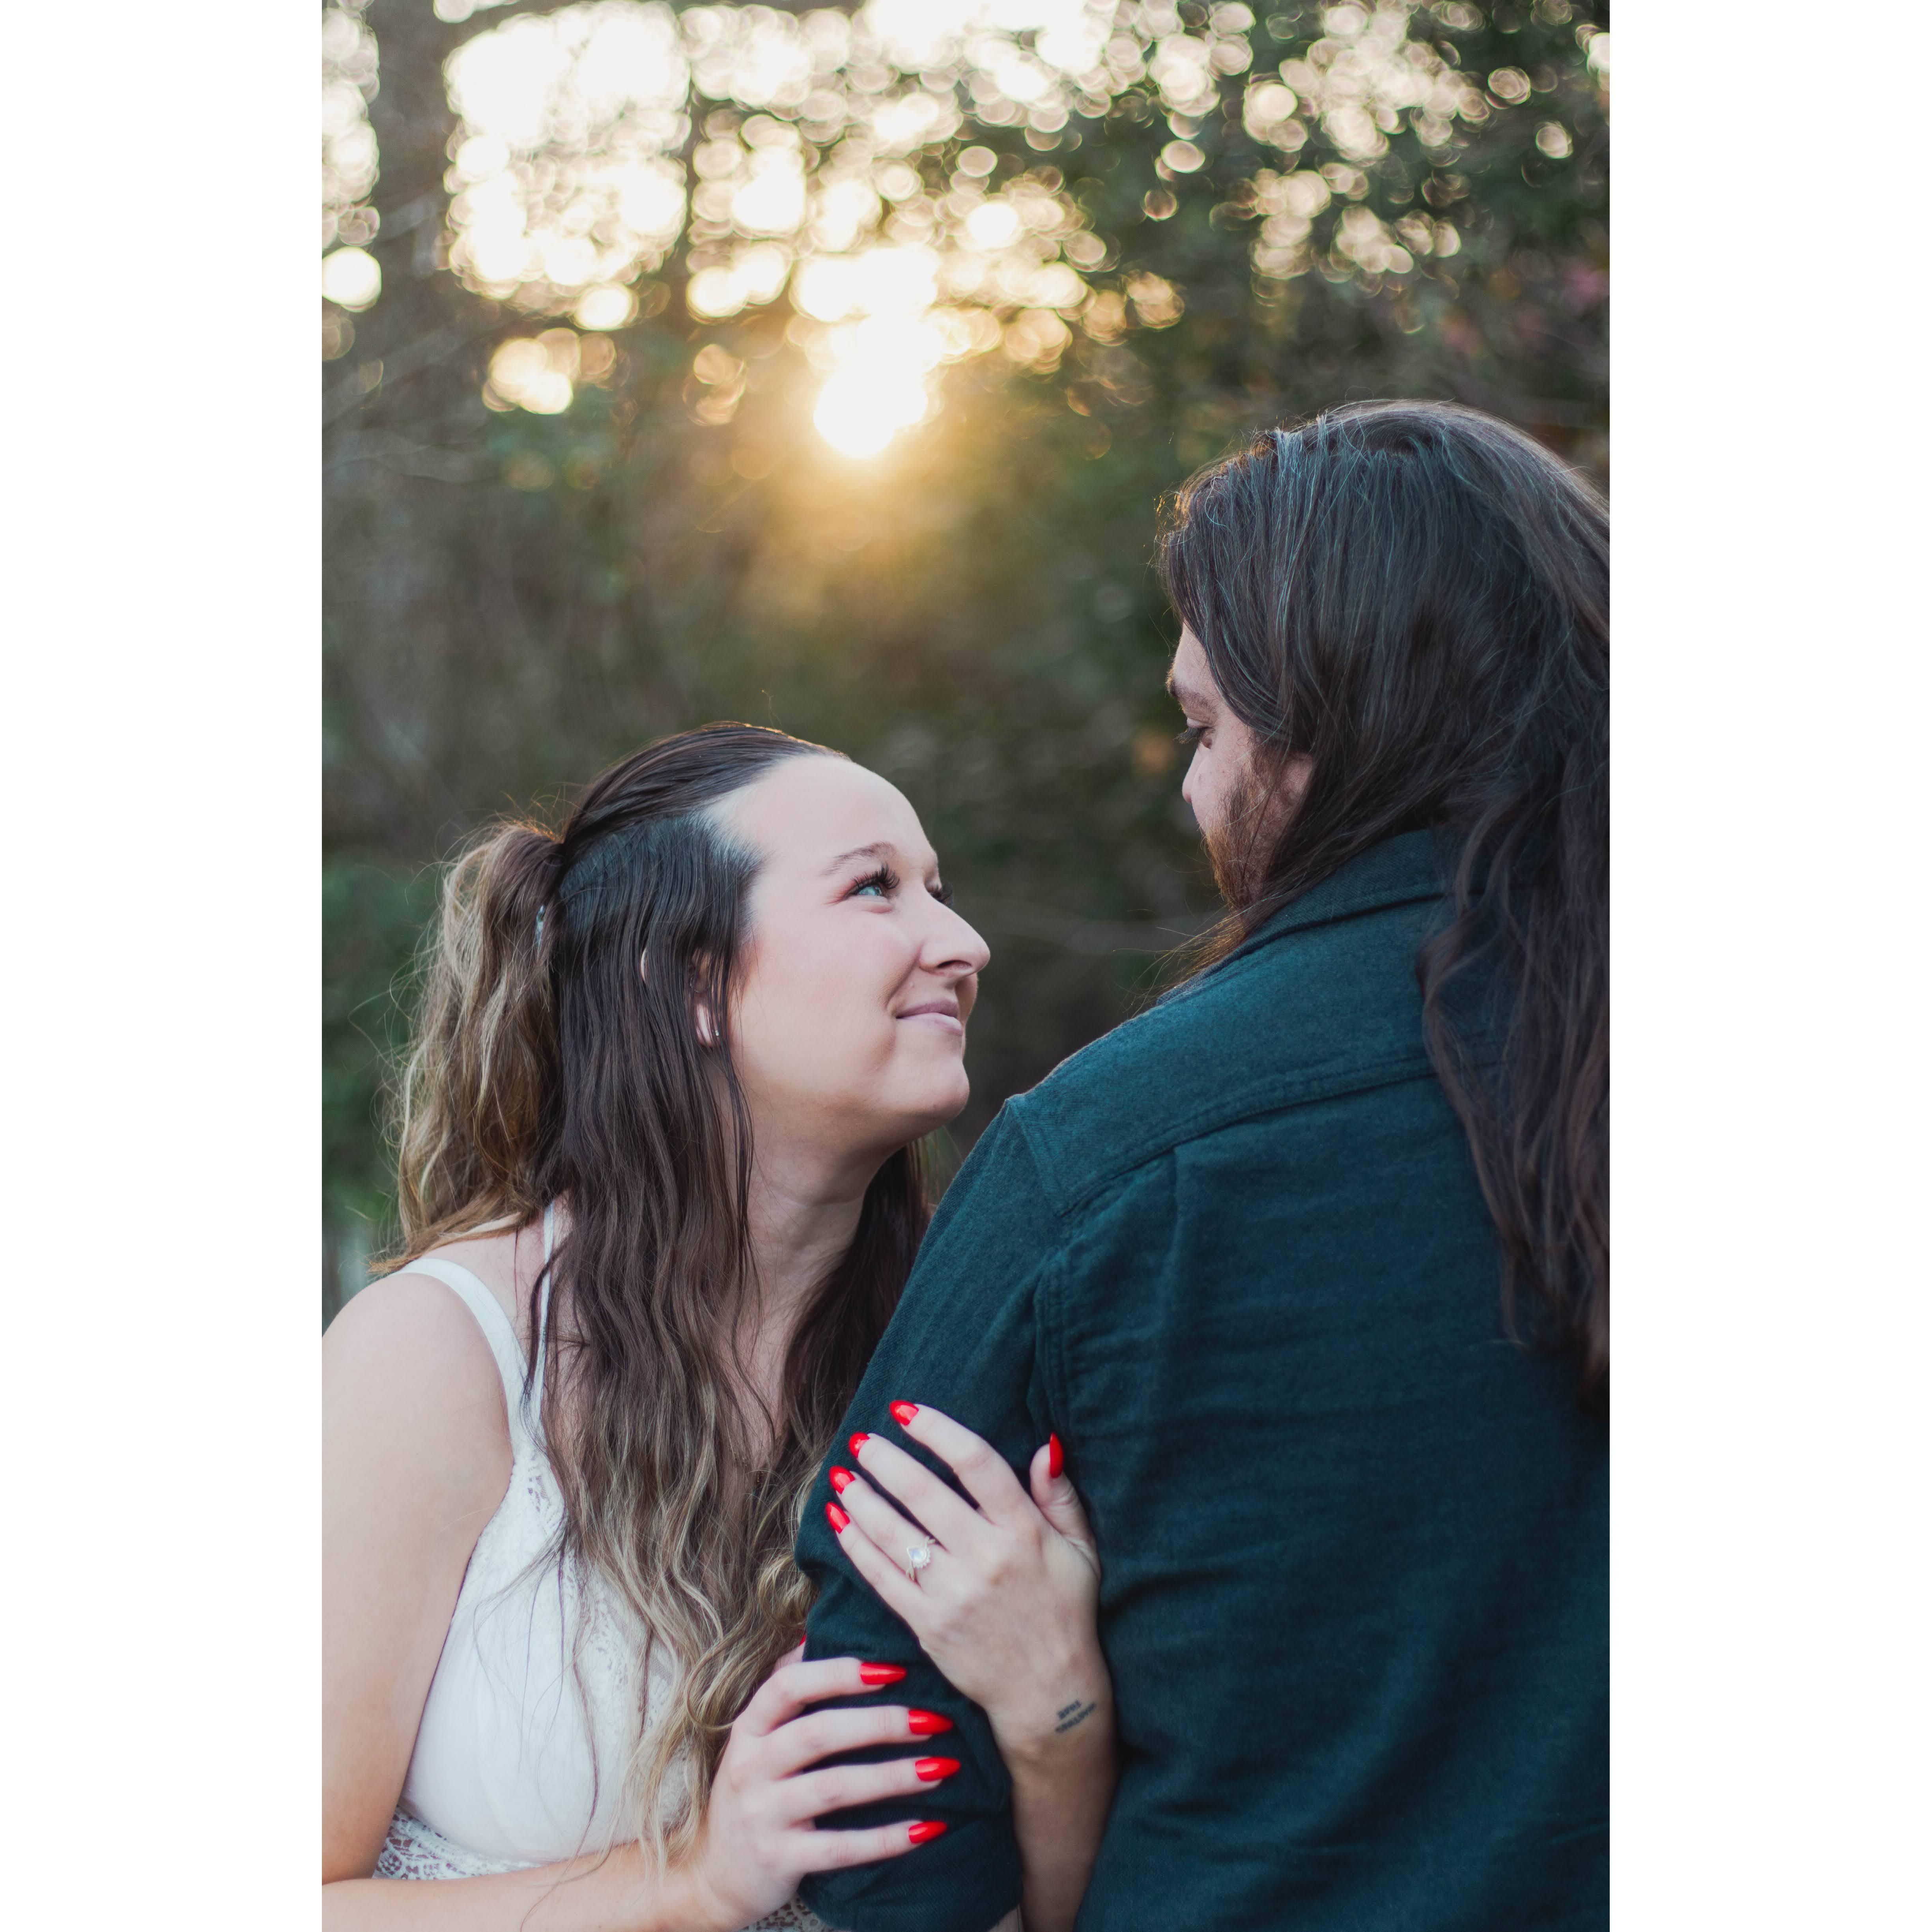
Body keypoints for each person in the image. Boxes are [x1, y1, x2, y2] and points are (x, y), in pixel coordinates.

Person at [799, 400, 1610, 1931]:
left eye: (1201, 730)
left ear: (1330, 730)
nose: (1188, 791)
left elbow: (865, 1806)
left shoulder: (1104, 1154)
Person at [323, 725, 1116, 1931]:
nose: (963, 944)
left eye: (939, 889)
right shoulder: (436, 1355)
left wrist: (1059, 1712)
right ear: (689, 982)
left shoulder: (973, 1366)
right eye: (874, 887)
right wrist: (687, 1883)